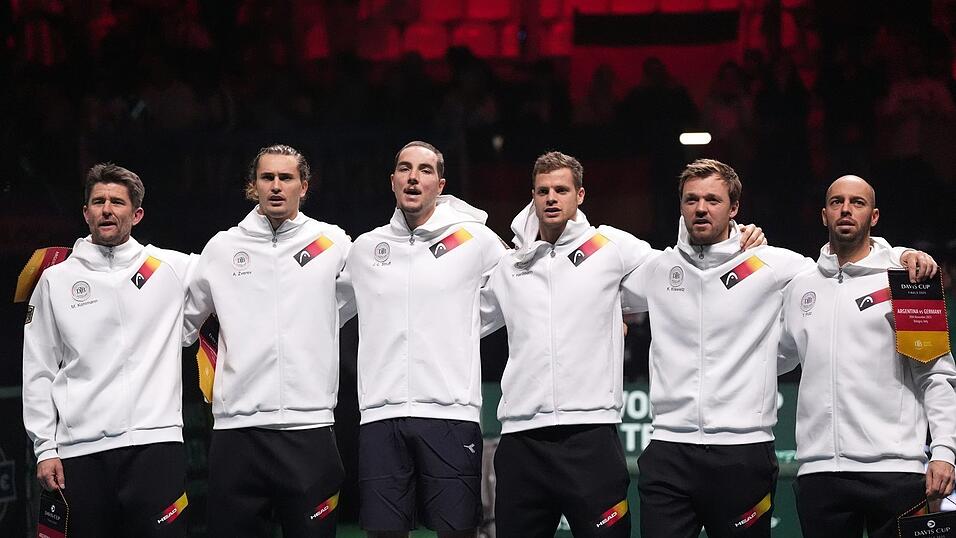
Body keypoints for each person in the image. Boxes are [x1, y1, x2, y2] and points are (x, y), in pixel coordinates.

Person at [620, 160, 935, 538]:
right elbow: (591, 285)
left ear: (734, 208)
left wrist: (900, 256)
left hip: (746, 453)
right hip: (670, 448)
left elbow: (844, 265)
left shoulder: (776, 265)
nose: (701, 208)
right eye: (692, 199)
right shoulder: (658, 268)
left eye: (713, 199)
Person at [479, 152, 765, 538]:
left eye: (561, 190)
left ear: (579, 195)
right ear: (532, 195)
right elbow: (464, 321)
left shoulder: (610, 246)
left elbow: (684, 277)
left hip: (591, 437)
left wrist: (737, 239)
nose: (551, 198)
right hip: (520, 438)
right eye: (543, 191)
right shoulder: (511, 265)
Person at [338, 140, 507, 537]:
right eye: (405, 168)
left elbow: (521, 288)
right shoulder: (365, 248)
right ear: (392, 181)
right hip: (381, 415)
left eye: (425, 170)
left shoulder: (475, 241)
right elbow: (323, 307)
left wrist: (465, 322)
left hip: (451, 414)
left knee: (457, 531)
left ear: (441, 184)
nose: (414, 177)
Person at [184, 144, 351, 537]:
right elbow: (180, 324)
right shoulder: (222, 248)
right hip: (237, 431)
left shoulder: (333, 243)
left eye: (286, 178)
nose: (276, 186)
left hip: (309, 428)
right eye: (267, 177)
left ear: (304, 187)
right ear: (252, 186)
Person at [779, 175, 956, 538]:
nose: (846, 209)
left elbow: (936, 375)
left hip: (896, 471)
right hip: (819, 472)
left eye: (857, 203)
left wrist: (944, 451)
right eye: (837, 202)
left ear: (873, 216)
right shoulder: (800, 286)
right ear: (823, 215)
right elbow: (778, 360)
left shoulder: (909, 280)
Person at [22, 163, 191, 537]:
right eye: (98, 201)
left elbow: (237, 282)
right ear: (86, 213)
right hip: (79, 451)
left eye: (117, 201)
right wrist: (45, 447)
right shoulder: (56, 279)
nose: (107, 209)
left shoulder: (172, 268)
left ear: (137, 213)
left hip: (155, 445)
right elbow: (38, 369)